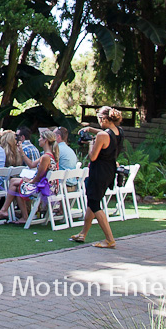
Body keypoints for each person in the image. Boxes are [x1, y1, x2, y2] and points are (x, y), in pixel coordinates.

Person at [70, 107, 123, 249]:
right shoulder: (118, 132)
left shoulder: (101, 137)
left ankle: (109, 239)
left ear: (104, 119)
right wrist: (91, 129)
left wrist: (91, 143)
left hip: (98, 172)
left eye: (99, 120)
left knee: (94, 204)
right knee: (92, 201)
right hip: (109, 171)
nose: (99, 123)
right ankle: (83, 233)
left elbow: (93, 157)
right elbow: (105, 134)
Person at [0, 129, 59, 223]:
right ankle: (9, 212)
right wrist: (21, 152)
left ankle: (6, 211)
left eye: (40, 138)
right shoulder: (48, 155)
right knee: (15, 183)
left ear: (45, 140)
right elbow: (31, 165)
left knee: (15, 183)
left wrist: (30, 181)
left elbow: (39, 176)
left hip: (45, 188)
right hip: (47, 185)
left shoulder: (45, 157)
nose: (38, 140)